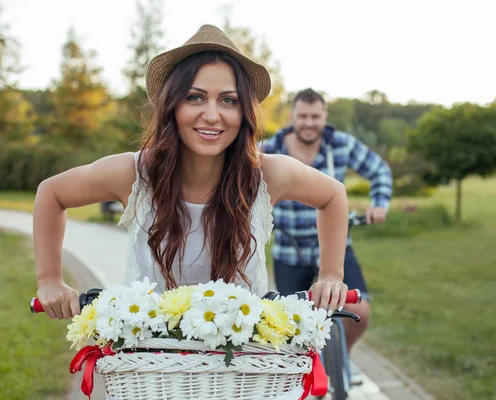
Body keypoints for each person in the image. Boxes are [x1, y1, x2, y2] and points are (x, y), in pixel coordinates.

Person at [33, 25, 350, 323]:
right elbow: (52, 193)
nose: (212, 115)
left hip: (246, 360)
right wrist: (50, 280)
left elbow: (333, 195)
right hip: (148, 359)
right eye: (195, 97)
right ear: (173, 105)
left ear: (244, 113)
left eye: (228, 100)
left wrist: (331, 275)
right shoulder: (134, 173)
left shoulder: (266, 174)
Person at [261, 88, 393, 385]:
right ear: (292, 116)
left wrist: (379, 204)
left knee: (358, 309)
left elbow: (379, 171)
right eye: (303, 116)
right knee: (286, 324)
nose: (309, 123)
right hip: (290, 251)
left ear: (325, 117)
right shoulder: (270, 149)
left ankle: (342, 359)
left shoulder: (341, 145)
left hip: (335, 247)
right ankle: (304, 371)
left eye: (315, 116)